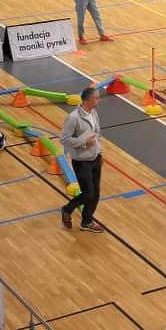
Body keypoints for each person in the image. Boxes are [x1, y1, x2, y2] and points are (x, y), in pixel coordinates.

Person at [59, 87, 104, 232]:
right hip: (82, 161)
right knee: (88, 193)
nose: (99, 100)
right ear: (88, 100)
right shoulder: (73, 118)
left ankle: (87, 222)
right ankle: (67, 209)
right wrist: (84, 142)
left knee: (95, 193)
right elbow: (64, 139)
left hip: (95, 158)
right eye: (97, 98)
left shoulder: (94, 113)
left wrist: (100, 152)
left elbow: (97, 134)